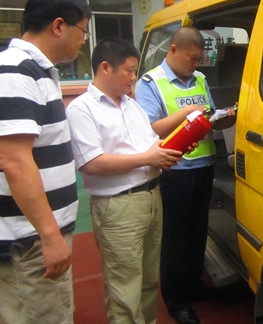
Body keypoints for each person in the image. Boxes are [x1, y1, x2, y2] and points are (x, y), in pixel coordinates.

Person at [66, 37, 185, 324]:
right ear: (105, 68)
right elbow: (92, 163)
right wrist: (148, 159)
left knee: (147, 281)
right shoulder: (82, 109)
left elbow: (148, 144)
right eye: (129, 71)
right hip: (118, 207)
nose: (134, 78)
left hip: (151, 197)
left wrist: (165, 152)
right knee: (124, 289)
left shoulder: (131, 106)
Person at [0, 0, 91, 324]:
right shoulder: (17, 71)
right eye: (82, 31)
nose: (83, 40)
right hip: (30, 241)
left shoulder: (38, 71)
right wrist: (49, 236)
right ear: (58, 26)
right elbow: (14, 161)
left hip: (36, 234)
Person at [135, 26, 236, 324]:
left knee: (197, 233)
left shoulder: (200, 79)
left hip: (203, 166)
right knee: (175, 239)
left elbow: (207, 118)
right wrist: (186, 113)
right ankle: (177, 301)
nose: (195, 64)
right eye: (192, 58)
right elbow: (150, 129)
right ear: (174, 50)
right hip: (173, 171)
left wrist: (222, 118)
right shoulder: (151, 83)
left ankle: (193, 285)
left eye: (199, 59)